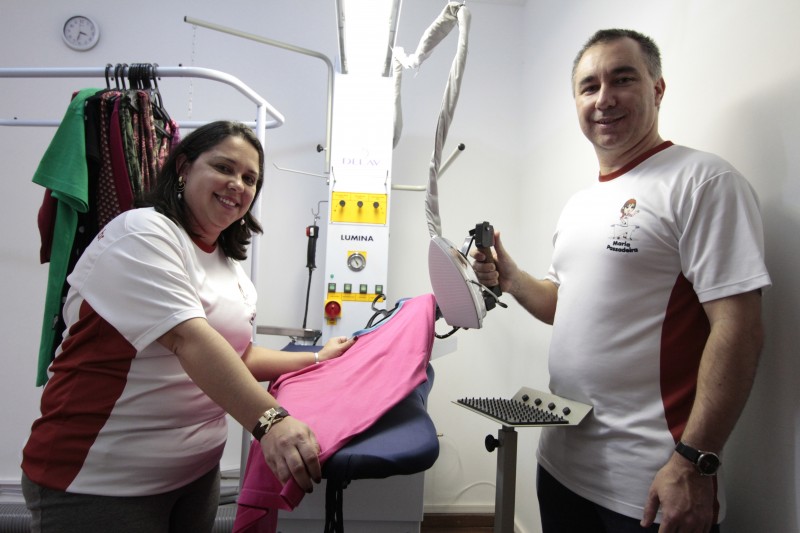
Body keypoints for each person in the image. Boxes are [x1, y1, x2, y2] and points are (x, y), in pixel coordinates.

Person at [472, 29, 771, 533]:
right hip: (561, 462)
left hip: (650, 484)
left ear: (657, 88)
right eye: (589, 87)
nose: (604, 98)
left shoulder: (702, 182)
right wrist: (512, 278)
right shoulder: (580, 204)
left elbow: (739, 329)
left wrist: (694, 461)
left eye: (622, 79)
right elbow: (563, 305)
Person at [21, 120, 356, 532]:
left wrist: (318, 358)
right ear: (183, 167)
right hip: (103, 478)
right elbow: (189, 339)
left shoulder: (227, 266)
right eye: (224, 167)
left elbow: (239, 355)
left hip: (195, 474)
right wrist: (271, 421)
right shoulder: (142, 234)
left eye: (250, 178)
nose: (237, 185)